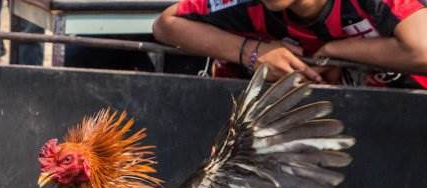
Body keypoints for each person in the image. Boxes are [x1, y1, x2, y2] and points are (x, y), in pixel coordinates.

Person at [152, 0, 427, 88]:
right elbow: (166, 25)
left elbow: (422, 48)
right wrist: (252, 53)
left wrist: (332, 52)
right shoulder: (247, 5)